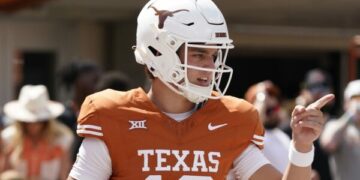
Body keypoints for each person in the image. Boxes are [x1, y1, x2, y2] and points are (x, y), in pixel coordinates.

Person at [68, 0, 334, 179]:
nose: (211, 66)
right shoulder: (116, 116)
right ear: (159, 51)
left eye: (214, 55)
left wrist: (301, 146)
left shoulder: (231, 119)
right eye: (198, 55)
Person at [1, 85, 74, 180]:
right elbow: (4, 174)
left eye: (38, 121)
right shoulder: (9, 138)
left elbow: (64, 176)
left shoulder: (62, 139)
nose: (33, 125)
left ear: (46, 121)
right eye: (28, 121)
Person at [293, 68, 334, 180]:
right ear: (303, 92)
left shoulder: (339, 126)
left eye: (323, 85)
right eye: (313, 86)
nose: (319, 90)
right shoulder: (292, 128)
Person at [58, 61, 101, 162]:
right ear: (78, 81)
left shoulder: (101, 113)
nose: (99, 84)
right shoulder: (63, 115)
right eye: (95, 80)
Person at [245, 80, 290, 173]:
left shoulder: (283, 136)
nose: (274, 112)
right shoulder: (250, 136)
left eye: (275, 108)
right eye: (268, 110)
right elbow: (254, 122)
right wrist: (261, 97)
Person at [320, 80, 360, 180]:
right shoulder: (335, 125)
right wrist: (350, 116)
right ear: (346, 103)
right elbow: (328, 144)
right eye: (356, 98)